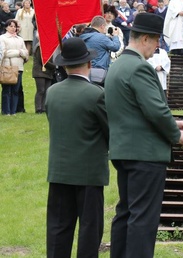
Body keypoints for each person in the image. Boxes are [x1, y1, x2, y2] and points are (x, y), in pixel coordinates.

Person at [105, 13, 183, 258]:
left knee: (126, 214)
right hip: (145, 154)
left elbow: (134, 110)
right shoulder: (140, 68)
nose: (158, 47)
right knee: (143, 219)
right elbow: (155, 110)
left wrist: (174, 122)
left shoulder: (118, 65)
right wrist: (177, 135)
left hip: (124, 151)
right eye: (156, 41)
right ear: (145, 39)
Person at [45, 37, 108, 258]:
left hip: (59, 171)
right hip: (88, 175)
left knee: (57, 229)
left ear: (64, 65)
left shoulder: (52, 92)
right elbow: (110, 130)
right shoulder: (96, 94)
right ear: (89, 64)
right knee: (90, 230)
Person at [0, 19, 28, 116]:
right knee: (7, 90)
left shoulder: (20, 39)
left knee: (16, 90)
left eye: (14, 26)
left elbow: (26, 53)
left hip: (19, 67)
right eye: (11, 26)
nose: (13, 28)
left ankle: (13, 110)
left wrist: (21, 53)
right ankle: (6, 111)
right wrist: (18, 52)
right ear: (6, 27)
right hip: (7, 66)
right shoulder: (2, 38)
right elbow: (4, 52)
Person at [32, 33, 55, 114]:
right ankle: (38, 108)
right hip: (40, 72)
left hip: (48, 72)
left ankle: (44, 108)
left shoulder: (48, 46)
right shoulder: (39, 47)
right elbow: (43, 61)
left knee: (46, 91)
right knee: (41, 90)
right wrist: (54, 66)